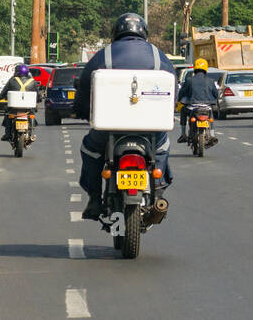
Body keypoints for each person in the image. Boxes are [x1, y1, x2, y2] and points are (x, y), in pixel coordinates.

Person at [73, 13, 176, 220]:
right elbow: (173, 91)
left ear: (116, 32)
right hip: (151, 132)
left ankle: (94, 199)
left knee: (90, 150)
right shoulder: (159, 56)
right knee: (162, 149)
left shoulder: (105, 55)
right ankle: (158, 192)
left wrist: (82, 111)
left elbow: (84, 87)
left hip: (110, 131)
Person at [177, 58, 219, 143]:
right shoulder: (210, 81)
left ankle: (183, 134)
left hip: (192, 107)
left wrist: (178, 100)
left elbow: (182, 92)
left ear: (195, 68)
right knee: (211, 116)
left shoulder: (189, 80)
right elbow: (216, 94)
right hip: (207, 107)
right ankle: (212, 134)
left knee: (183, 111)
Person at [0, 65, 39, 141]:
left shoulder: (12, 80)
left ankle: (7, 133)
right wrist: (39, 99)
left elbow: (4, 92)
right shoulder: (32, 81)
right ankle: (30, 133)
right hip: (28, 108)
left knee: (7, 115)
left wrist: (0, 96)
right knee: (32, 114)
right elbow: (38, 95)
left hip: (14, 109)